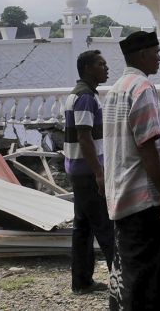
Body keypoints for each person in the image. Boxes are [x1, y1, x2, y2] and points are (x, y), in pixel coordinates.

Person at [102, 30, 160, 310]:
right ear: (142, 54)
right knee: (153, 277)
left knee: (130, 268)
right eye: (156, 52)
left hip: (122, 195)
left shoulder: (116, 89)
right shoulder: (142, 88)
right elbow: (148, 147)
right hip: (145, 200)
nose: (159, 57)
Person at [63, 50, 115, 294]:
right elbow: (84, 137)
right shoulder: (85, 97)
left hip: (78, 169)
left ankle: (81, 281)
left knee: (83, 228)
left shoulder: (80, 94)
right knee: (105, 226)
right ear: (87, 69)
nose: (106, 68)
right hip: (86, 172)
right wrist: (99, 173)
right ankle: (123, 281)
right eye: (100, 64)